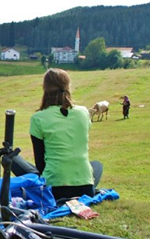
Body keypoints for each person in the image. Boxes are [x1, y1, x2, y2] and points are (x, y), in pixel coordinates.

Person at [11, 68, 102, 201]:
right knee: (97, 165)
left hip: (54, 190)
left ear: (45, 88)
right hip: (86, 189)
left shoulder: (38, 118)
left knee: (10, 158)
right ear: (68, 86)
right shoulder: (83, 112)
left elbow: (40, 163)